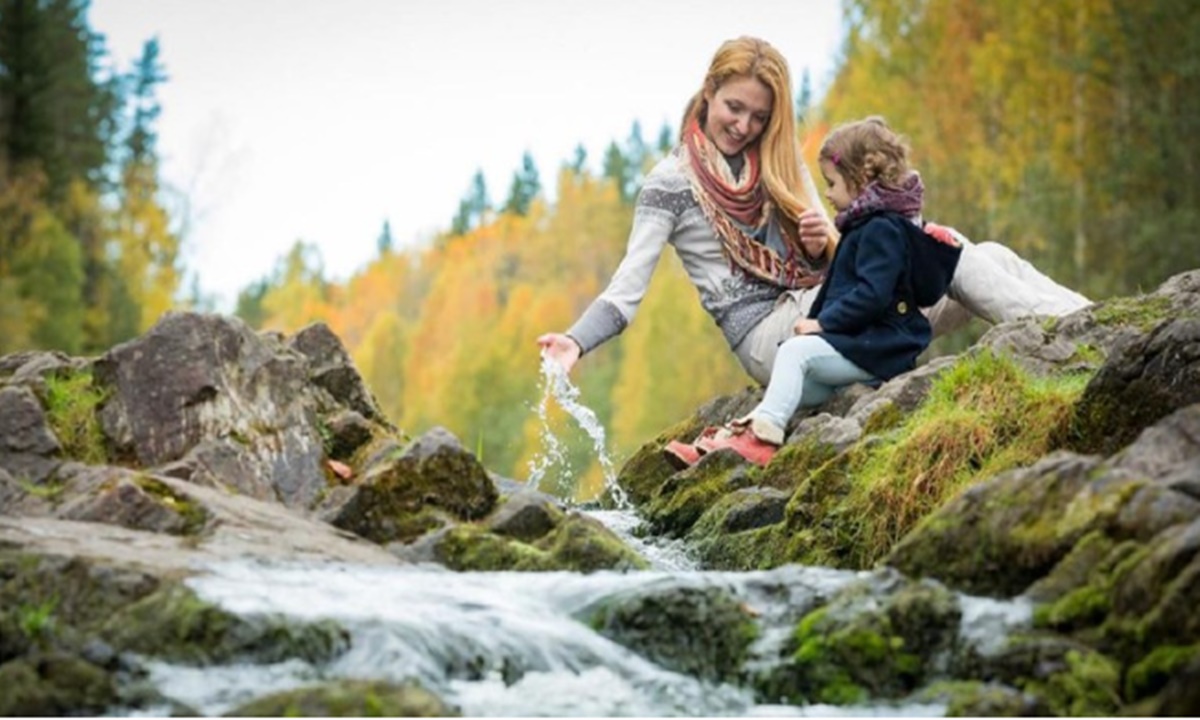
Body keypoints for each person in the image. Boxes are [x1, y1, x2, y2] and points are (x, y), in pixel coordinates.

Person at [536, 36, 1088, 464]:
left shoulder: (781, 161)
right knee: (949, 250)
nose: (744, 126)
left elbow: (856, 260)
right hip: (774, 339)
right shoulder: (669, 184)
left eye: (759, 116)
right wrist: (575, 343)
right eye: (734, 107)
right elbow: (625, 291)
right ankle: (1080, 339)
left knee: (983, 253)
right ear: (708, 91)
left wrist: (828, 243)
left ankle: (1095, 324)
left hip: (836, 307)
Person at [666, 116, 962, 466]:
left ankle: (762, 440)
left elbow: (874, 294)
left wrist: (823, 325)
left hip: (881, 347)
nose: (827, 193)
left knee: (795, 353)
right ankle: (730, 446)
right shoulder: (865, 227)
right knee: (790, 388)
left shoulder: (882, 229)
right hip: (863, 345)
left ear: (860, 182)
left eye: (832, 183)